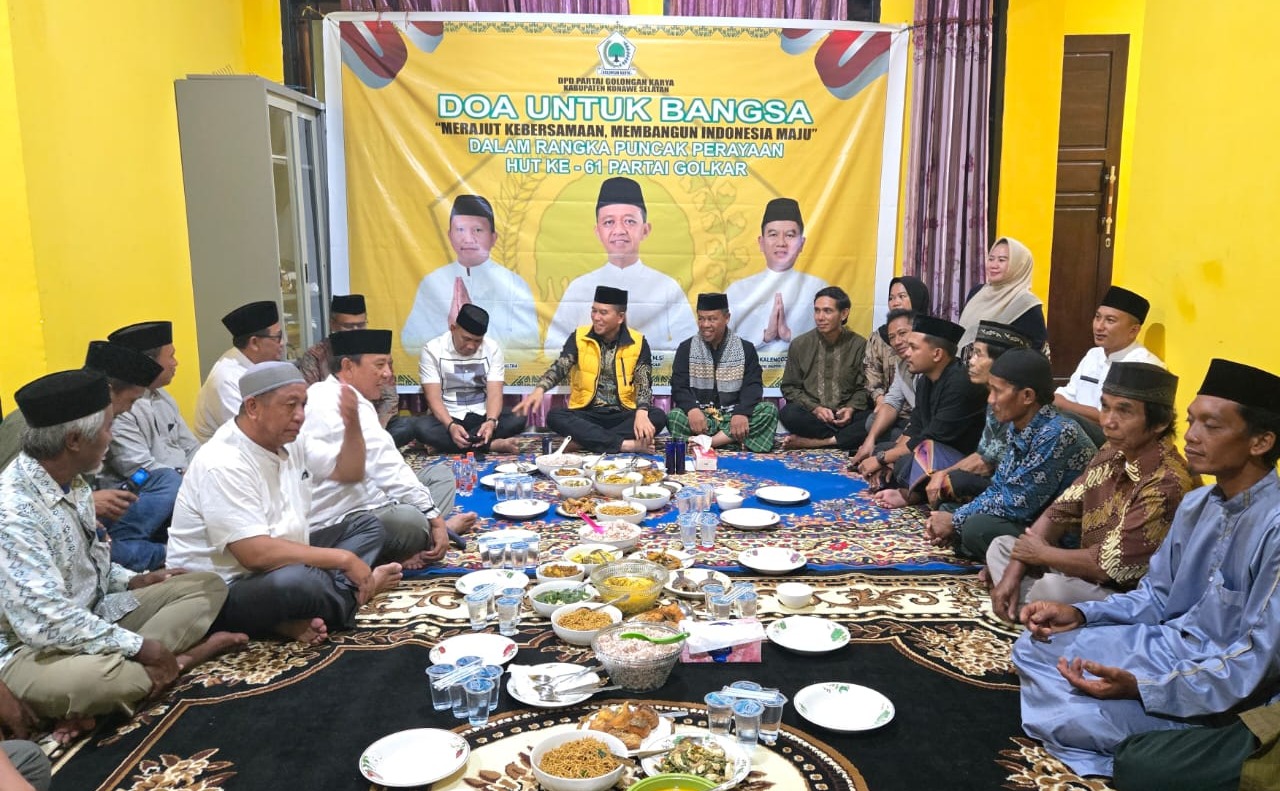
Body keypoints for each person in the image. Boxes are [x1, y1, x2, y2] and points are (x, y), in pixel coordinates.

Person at [1014, 358, 1280, 782]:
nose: (1191, 436)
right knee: (1033, 647)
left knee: (1078, 717)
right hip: (1162, 647)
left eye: (1211, 426)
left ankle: (1152, 733)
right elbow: (1155, 597)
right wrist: (1081, 614)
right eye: (1191, 421)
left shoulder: (1274, 527)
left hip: (1218, 685)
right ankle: (1101, 716)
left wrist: (1144, 688)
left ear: (1260, 441)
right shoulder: (1198, 505)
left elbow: (1257, 661)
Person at [0, 370, 243, 736]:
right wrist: (145, 648)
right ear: (74, 440)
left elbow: (89, 565)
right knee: (106, 680)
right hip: (30, 650)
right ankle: (182, 660)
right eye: (108, 428)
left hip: (93, 614)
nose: (111, 439)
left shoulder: (73, 482)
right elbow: (46, 622)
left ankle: (123, 680)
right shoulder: (13, 511)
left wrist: (135, 580)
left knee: (206, 586)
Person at [167, 362, 403, 644]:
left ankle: (291, 615)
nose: (300, 416)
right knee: (298, 582)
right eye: (290, 405)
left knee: (367, 526)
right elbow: (254, 555)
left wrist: (352, 424)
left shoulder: (290, 441)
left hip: (280, 559)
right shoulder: (223, 461)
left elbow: (349, 472)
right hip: (223, 588)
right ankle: (357, 592)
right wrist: (344, 559)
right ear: (253, 407)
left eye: (303, 405)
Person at [988, 362, 1196, 621]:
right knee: (1001, 547)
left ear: (1160, 423)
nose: (1107, 422)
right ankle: (1033, 608)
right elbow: (1060, 511)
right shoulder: (1111, 451)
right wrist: (1014, 570)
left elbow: (1107, 567)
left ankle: (1036, 610)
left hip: (1127, 597)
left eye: (1124, 411)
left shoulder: (1167, 482)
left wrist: (1039, 554)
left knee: (1051, 588)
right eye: (1105, 407)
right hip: (1081, 576)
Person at [300, 329, 476, 570]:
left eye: (389, 365)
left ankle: (424, 537)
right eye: (379, 365)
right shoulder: (339, 400)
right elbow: (387, 469)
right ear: (348, 366)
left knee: (440, 475)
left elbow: (384, 469)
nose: (387, 374)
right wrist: (435, 519)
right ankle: (430, 536)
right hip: (345, 520)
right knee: (410, 520)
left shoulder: (335, 393)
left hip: (371, 497)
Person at [922, 348, 1096, 560]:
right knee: (953, 510)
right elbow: (999, 487)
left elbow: (1017, 504)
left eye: (997, 391)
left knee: (976, 528)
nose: (990, 400)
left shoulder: (1058, 433)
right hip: (1028, 518)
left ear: (1027, 396)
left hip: (1059, 539)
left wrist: (954, 521)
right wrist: (954, 518)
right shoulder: (1019, 426)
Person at [543, 177, 696, 356]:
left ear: (645, 230)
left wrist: (642, 357)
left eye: (629, 221)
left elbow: (689, 344)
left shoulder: (667, 286)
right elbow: (553, 346)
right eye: (609, 222)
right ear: (598, 231)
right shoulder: (579, 287)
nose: (619, 230)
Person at [516, 286, 667, 454]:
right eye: (594, 311)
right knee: (555, 416)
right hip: (587, 414)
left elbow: (643, 381)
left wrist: (642, 411)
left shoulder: (637, 342)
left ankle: (585, 442)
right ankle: (626, 445)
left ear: (620, 317)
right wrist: (540, 389)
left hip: (622, 413)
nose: (596, 317)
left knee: (657, 416)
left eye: (603, 313)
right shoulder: (579, 337)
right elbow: (561, 366)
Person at [103, 321, 201, 570]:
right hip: (139, 489)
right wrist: (182, 477)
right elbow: (137, 468)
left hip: (181, 483)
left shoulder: (164, 398)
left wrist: (200, 473)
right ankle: (162, 552)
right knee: (167, 480)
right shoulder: (120, 407)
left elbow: (191, 447)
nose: (175, 363)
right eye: (171, 356)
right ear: (149, 362)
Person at [857, 315, 988, 499]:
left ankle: (912, 493)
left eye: (914, 347)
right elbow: (915, 427)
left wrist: (883, 459)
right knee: (884, 448)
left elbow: (931, 439)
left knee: (903, 461)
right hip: (928, 449)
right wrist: (887, 457)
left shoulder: (961, 384)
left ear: (937, 354)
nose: (906, 353)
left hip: (957, 458)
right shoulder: (926, 380)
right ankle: (905, 484)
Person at [401, 194, 539, 357]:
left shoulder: (514, 284)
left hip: (495, 368)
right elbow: (409, 342)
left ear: (493, 238)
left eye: (477, 230)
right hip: (442, 368)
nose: (468, 239)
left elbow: (530, 347)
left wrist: (477, 336)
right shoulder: (432, 282)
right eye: (460, 229)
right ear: (450, 235)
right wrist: (452, 331)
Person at [919, 321, 1035, 509]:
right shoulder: (992, 399)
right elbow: (983, 454)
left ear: (1001, 362)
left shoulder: (1016, 402)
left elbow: (986, 464)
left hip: (1017, 489)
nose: (971, 361)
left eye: (979, 354)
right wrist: (943, 475)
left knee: (955, 483)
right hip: (992, 477)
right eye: (972, 353)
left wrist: (944, 475)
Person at [668, 293, 778, 452]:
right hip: (703, 418)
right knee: (675, 417)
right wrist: (692, 409)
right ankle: (731, 440)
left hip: (733, 416)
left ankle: (711, 442)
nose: (705, 324)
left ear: (727, 318)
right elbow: (679, 386)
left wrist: (742, 412)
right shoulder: (687, 348)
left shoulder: (745, 348)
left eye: (712, 319)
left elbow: (753, 386)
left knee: (768, 411)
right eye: (701, 318)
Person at [1055, 286, 1165, 447]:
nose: (1099, 327)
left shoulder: (1143, 366)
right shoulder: (1093, 355)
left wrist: (1065, 406)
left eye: (1110, 320)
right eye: (1097, 317)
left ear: (1133, 330)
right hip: (1078, 432)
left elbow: (1114, 420)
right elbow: (1065, 395)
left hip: (1116, 443)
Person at [298, 294, 414, 447]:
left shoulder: (375, 352)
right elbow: (307, 401)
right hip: (332, 425)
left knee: (407, 426)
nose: (355, 331)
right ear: (332, 324)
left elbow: (389, 399)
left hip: (373, 422)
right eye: (348, 326)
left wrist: (374, 432)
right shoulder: (316, 355)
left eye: (360, 325)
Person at [413, 303, 526, 454]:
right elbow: (433, 398)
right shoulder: (432, 350)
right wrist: (451, 426)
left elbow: (494, 393)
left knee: (519, 417)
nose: (471, 346)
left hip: (481, 415)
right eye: (466, 339)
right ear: (453, 328)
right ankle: (490, 445)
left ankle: (453, 445)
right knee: (421, 428)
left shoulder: (492, 349)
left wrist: (491, 422)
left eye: (477, 341)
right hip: (449, 417)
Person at [725, 198, 830, 352]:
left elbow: (832, 343)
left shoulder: (819, 289)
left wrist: (789, 335)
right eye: (773, 234)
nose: (781, 243)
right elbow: (721, 345)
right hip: (749, 368)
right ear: (761, 242)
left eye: (790, 235)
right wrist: (765, 337)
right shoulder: (737, 291)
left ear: (802, 243)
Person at [778, 286, 871, 450]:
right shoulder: (800, 344)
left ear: (844, 314)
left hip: (847, 416)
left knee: (874, 418)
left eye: (827, 311)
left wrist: (850, 409)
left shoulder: (859, 345)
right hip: (813, 416)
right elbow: (790, 387)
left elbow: (863, 387)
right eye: (817, 311)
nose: (820, 317)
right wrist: (815, 408)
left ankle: (818, 442)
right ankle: (845, 439)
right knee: (788, 414)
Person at [193, 300, 284, 442]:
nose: (283, 343)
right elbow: (251, 435)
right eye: (277, 338)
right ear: (254, 343)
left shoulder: (260, 367)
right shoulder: (226, 380)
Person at [849, 308, 918, 466]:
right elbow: (892, 401)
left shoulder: (927, 364)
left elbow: (924, 420)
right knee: (872, 424)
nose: (897, 341)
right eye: (892, 337)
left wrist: (887, 456)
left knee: (888, 455)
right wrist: (869, 441)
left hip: (930, 432)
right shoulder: (902, 363)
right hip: (912, 423)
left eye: (902, 333)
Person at [956, 236, 1047, 352]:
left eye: (1001, 260)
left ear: (1018, 265)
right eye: (991, 259)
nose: (993, 265)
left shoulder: (1026, 303)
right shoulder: (977, 292)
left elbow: (1036, 351)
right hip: (961, 362)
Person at [864, 276, 930, 409]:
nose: (895, 303)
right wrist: (881, 401)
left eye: (902, 296)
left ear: (916, 298)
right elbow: (871, 375)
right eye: (891, 298)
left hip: (923, 409)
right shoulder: (879, 336)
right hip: (887, 405)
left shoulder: (931, 335)